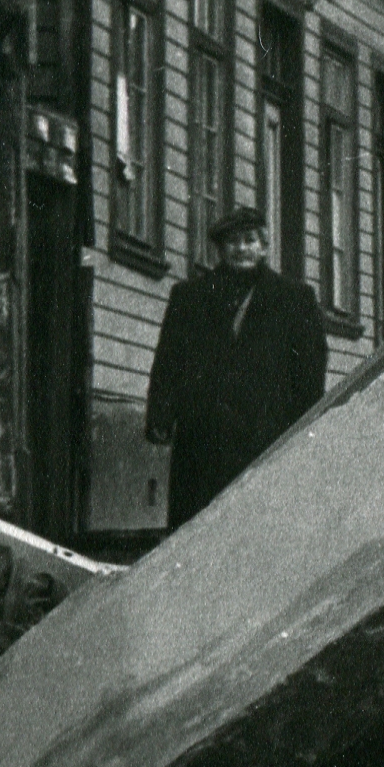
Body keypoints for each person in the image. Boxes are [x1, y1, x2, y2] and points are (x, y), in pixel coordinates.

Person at [145, 207, 329, 528]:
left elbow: (311, 368)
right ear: (220, 249)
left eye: (250, 240)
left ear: (264, 246)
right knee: (198, 527)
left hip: (267, 434)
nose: (242, 249)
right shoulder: (190, 297)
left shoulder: (294, 298)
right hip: (202, 436)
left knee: (259, 527)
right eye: (233, 242)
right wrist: (160, 415)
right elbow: (168, 360)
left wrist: (305, 423)